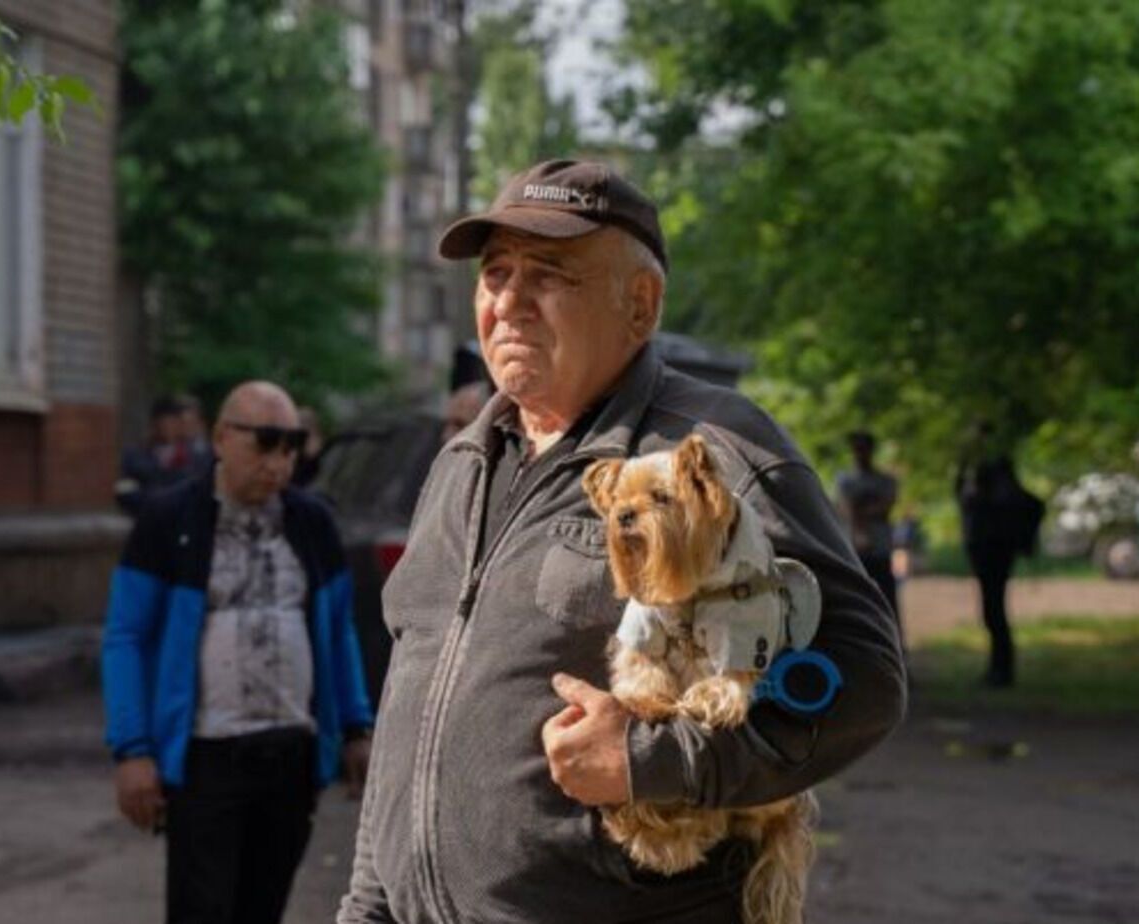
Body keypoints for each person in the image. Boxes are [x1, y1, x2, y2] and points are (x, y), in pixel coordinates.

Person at [339, 160, 906, 923]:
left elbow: (864, 677)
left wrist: (653, 763)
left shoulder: (713, 449)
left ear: (638, 304)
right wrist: (368, 905)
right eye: (494, 273)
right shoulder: (460, 461)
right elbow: (414, 696)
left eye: (548, 274)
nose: (508, 301)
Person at [103, 380, 374, 924]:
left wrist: (355, 728)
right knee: (202, 911)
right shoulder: (169, 520)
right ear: (223, 438)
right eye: (265, 442)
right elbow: (126, 636)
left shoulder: (312, 523)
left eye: (291, 445)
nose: (279, 461)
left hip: (291, 756)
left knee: (263, 909)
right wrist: (132, 749)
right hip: (207, 759)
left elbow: (338, 629)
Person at [956, 425, 1042, 688]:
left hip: (993, 550)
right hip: (988, 549)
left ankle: (1001, 670)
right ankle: (999, 669)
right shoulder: (983, 474)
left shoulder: (996, 477)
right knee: (993, 611)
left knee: (994, 612)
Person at [835, 431, 903, 641]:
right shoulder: (845, 480)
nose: (860, 453)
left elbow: (884, 507)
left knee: (888, 605)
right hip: (855, 553)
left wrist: (859, 514)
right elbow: (846, 509)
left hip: (880, 551)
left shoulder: (885, 480)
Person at [117, 395, 214, 515]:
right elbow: (125, 491)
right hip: (145, 517)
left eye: (174, 422)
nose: (170, 427)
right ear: (155, 424)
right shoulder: (135, 455)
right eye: (165, 422)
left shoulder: (197, 456)